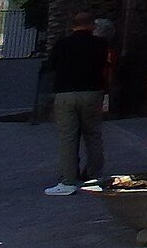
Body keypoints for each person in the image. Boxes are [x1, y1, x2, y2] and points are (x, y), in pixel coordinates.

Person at [42, 11, 113, 196]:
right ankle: (95, 175)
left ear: (73, 26)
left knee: (68, 137)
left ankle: (68, 181)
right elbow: (108, 66)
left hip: (65, 93)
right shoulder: (101, 44)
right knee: (93, 135)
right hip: (92, 93)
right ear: (92, 26)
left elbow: (50, 67)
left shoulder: (62, 44)